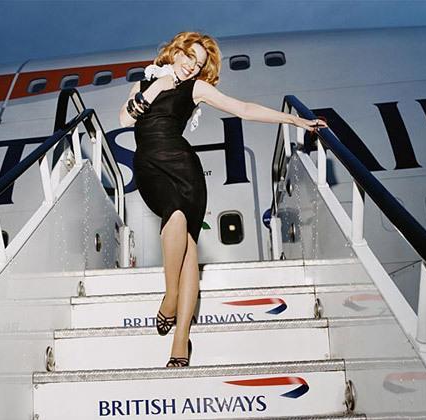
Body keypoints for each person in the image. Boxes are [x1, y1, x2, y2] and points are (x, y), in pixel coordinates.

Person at [119, 31, 327, 368]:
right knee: (175, 223)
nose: (192, 66)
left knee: (187, 241)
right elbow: (126, 119)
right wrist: (159, 85)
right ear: (176, 52)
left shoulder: (196, 89)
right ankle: (172, 296)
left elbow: (242, 109)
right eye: (189, 57)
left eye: (199, 64)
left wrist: (293, 119)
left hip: (184, 168)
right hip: (149, 166)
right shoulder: (143, 85)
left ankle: (180, 338)